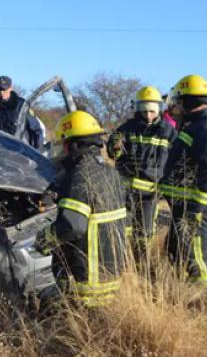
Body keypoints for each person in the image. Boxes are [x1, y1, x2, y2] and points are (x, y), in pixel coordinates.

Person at [35, 111, 128, 307]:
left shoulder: (79, 176)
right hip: (112, 275)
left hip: (88, 282)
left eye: (63, 146)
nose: (61, 153)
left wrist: (45, 239)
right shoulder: (110, 172)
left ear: (72, 145)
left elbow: (72, 225)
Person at [159, 74, 207, 288]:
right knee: (176, 249)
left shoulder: (206, 127)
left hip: (199, 207)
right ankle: (176, 291)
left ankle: (203, 300)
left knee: (195, 257)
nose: (175, 107)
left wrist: (196, 208)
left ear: (187, 102)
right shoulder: (200, 123)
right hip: (188, 205)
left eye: (178, 102)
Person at [107, 86, 177, 254]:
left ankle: (141, 262)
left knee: (144, 233)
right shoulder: (125, 129)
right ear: (137, 108)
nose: (148, 115)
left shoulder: (169, 132)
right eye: (144, 111)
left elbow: (176, 159)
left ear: (159, 109)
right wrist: (115, 147)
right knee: (124, 229)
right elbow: (112, 152)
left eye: (152, 111)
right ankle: (122, 259)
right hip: (125, 192)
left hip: (150, 194)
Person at [0, 75, 43, 149]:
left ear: (10, 88)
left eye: (4, 90)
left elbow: (36, 130)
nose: (2, 93)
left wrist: (37, 151)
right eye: (0, 90)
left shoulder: (22, 105)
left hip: (20, 150)